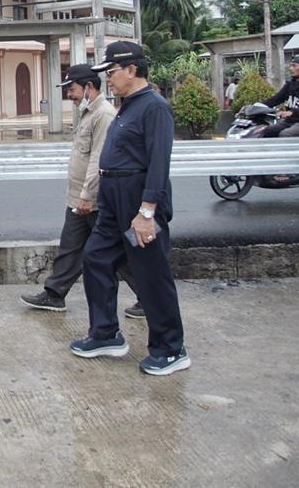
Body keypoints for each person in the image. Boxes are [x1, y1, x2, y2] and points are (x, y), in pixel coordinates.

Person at [72, 41, 189, 377]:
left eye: (111, 72)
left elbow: (158, 164)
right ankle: (106, 333)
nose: (108, 79)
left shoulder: (154, 107)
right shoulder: (128, 105)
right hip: (112, 201)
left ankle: (171, 349)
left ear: (132, 70)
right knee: (95, 258)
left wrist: (147, 212)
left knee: (151, 274)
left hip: (138, 199)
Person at [23, 64, 142, 318]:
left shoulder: (104, 115)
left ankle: (147, 296)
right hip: (78, 197)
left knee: (119, 253)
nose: (70, 95)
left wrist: (88, 195)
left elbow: (99, 159)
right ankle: (55, 294)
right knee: (70, 247)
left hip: (94, 200)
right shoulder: (88, 113)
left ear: (89, 86)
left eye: (73, 89)